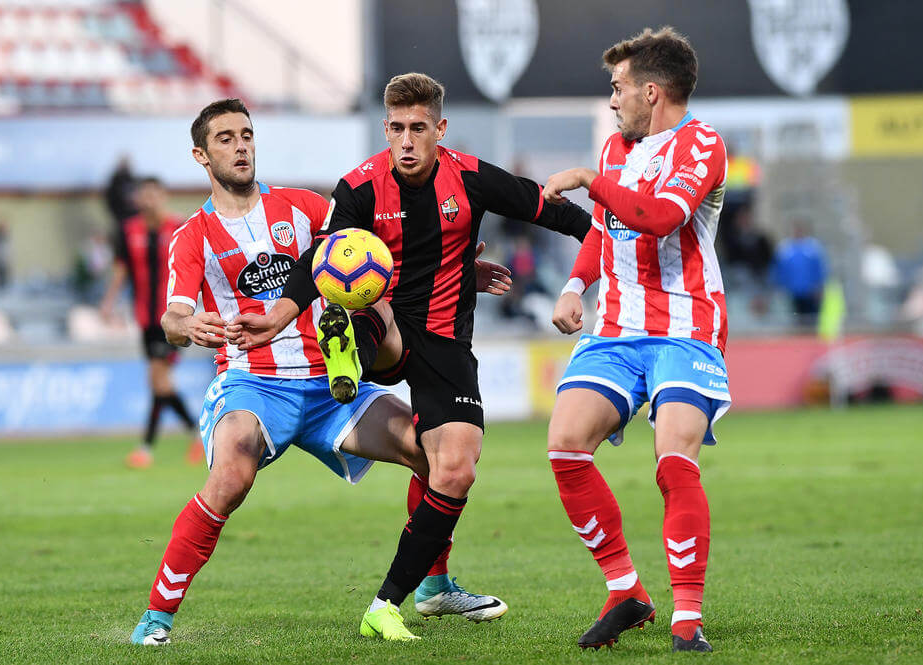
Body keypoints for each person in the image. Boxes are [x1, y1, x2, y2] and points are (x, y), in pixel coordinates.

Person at [130, 98, 513, 646]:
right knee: (231, 476)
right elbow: (171, 315)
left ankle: (433, 586)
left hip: (331, 382)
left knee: (438, 457)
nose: (240, 147)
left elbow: (376, 255)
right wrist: (188, 328)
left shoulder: (305, 207)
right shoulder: (193, 236)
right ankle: (157, 616)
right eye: (225, 139)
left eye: (246, 135)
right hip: (253, 383)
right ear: (200, 154)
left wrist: (459, 268)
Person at [230, 73, 591, 641]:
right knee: (361, 290)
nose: (405, 140)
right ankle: (345, 346)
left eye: (417, 128)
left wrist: (613, 250)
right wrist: (279, 315)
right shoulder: (359, 187)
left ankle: (401, 599)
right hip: (385, 326)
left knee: (454, 465)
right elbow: (314, 260)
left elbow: (555, 212)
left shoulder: (469, 176)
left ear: (439, 130)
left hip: (445, 342)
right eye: (396, 128)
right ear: (385, 128)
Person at [541, 27, 730, 653]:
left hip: (684, 327)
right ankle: (626, 591)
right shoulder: (615, 150)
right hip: (617, 328)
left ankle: (687, 618)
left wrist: (587, 181)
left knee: (673, 460)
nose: (613, 99)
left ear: (653, 92)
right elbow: (608, 228)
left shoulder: (703, 145)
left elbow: (660, 218)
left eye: (619, 88)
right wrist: (574, 285)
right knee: (566, 445)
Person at [100, 176, 202, 468]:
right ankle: (197, 434)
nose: (149, 200)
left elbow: (194, 267)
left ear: (163, 196)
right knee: (159, 384)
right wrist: (108, 302)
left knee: (158, 380)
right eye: (144, 195)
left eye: (154, 195)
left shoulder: (179, 228)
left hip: (174, 317)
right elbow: (121, 270)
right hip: (144, 317)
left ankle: (146, 449)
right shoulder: (128, 230)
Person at [771, 219, 828, 326]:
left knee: (811, 319)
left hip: (809, 291)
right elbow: (779, 269)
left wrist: (819, 286)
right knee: (794, 319)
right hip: (792, 291)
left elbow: (819, 269)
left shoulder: (813, 248)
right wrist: (780, 286)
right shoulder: (785, 248)